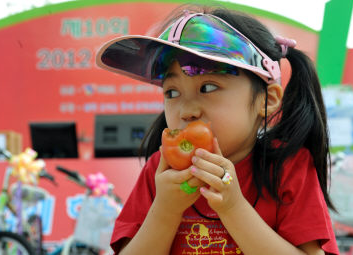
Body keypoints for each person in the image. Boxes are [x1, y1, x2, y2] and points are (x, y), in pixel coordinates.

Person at [96, 4, 339, 255]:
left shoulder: (289, 167)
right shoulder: (160, 171)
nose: (186, 110)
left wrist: (233, 207)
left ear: (268, 100)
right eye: (172, 92)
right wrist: (166, 210)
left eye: (208, 87)